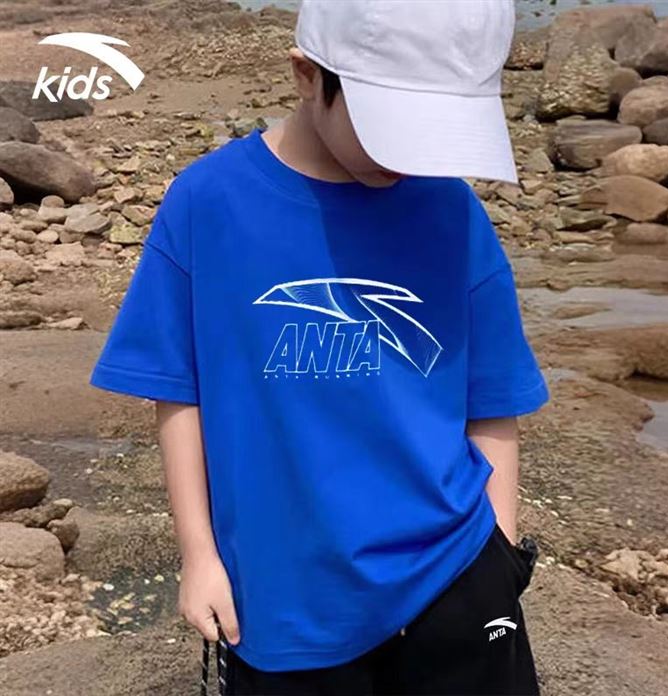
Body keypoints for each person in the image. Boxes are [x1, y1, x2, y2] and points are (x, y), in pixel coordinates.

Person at [89, 1, 550, 694]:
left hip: (457, 575)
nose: (407, 160)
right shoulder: (208, 203)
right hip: (286, 597)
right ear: (307, 76)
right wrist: (199, 555)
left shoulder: (452, 210)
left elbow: (491, 398)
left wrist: (499, 557)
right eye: (392, 129)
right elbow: (178, 392)